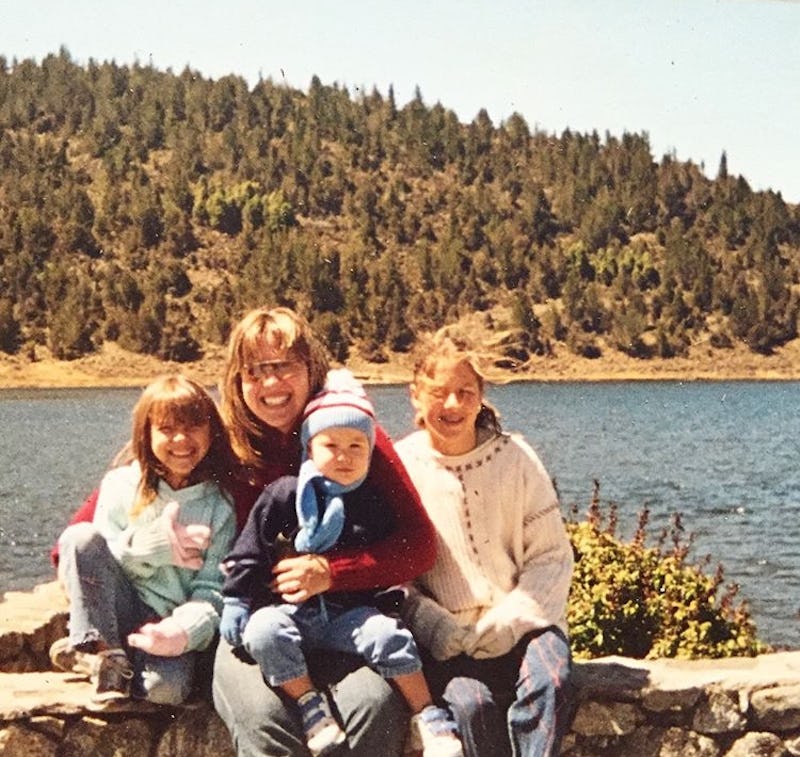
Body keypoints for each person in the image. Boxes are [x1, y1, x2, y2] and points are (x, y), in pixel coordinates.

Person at [210, 306, 437, 757]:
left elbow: (419, 545)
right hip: (256, 625)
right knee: (264, 718)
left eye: (284, 367)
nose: (271, 384)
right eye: (255, 371)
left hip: (342, 617)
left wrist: (332, 570)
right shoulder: (225, 439)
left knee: (372, 707)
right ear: (237, 381)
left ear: (310, 369)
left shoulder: (348, 434)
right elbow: (141, 478)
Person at [394, 331, 575, 757]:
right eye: (439, 393)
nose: (453, 405)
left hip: (526, 624)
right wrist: (438, 628)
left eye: (465, 392)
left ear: (481, 395)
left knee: (550, 681)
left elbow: (550, 557)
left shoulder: (516, 459)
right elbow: (395, 580)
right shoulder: (399, 469)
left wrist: (509, 622)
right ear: (415, 396)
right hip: (450, 638)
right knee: (470, 707)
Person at [50, 374, 237, 707]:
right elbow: (93, 557)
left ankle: (88, 661)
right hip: (118, 609)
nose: (181, 439)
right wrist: (149, 549)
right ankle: (107, 654)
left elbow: (212, 590)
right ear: (146, 433)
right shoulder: (121, 484)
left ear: (212, 431)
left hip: (169, 622)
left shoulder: (220, 504)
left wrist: (183, 632)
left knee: (165, 691)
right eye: (166, 429)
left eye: (194, 426)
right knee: (79, 537)